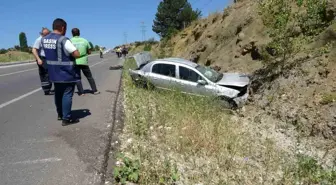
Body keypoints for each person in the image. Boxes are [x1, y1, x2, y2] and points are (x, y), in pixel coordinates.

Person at [41, 18, 81, 126]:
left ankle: (60, 114)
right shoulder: (63, 40)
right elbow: (76, 53)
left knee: (58, 94)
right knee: (67, 94)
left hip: (53, 73)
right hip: (66, 72)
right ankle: (66, 118)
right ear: (63, 28)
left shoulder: (44, 39)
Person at [70, 28, 100, 96]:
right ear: (79, 33)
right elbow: (89, 52)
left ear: (72, 34)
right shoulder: (84, 40)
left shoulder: (70, 41)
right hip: (84, 61)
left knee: (77, 78)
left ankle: (81, 92)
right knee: (89, 76)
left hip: (75, 61)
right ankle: (94, 90)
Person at [32, 27, 52, 95]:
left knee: (50, 73)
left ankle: (48, 87)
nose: (47, 35)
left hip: (49, 58)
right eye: (45, 34)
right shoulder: (39, 39)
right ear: (42, 33)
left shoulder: (48, 39)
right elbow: (34, 50)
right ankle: (46, 89)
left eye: (48, 34)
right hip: (42, 58)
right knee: (44, 74)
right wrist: (38, 59)